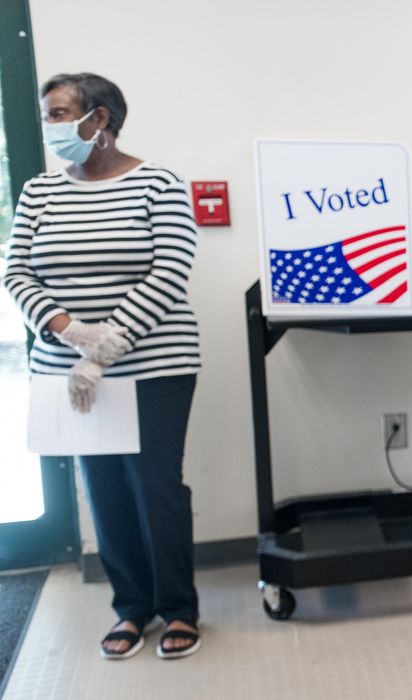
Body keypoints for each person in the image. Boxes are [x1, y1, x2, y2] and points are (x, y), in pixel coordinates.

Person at [3, 74, 202, 659]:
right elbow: (16, 272)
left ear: (100, 119)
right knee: (104, 489)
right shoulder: (39, 193)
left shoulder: (158, 184)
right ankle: (132, 607)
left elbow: (170, 269)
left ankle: (179, 609)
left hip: (155, 364)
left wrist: (107, 345)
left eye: (60, 113)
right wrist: (68, 329)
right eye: (47, 115)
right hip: (65, 369)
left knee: (155, 487)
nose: (51, 127)